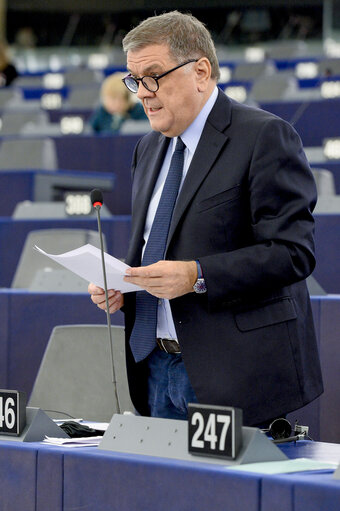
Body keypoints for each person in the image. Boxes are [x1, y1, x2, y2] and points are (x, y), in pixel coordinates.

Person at [88, 11, 323, 427]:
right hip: (155, 370)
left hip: (234, 374)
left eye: (154, 76)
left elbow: (293, 253)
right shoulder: (147, 149)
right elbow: (156, 245)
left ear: (200, 71)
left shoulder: (265, 136)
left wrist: (197, 275)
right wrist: (124, 286)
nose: (142, 93)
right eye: (134, 80)